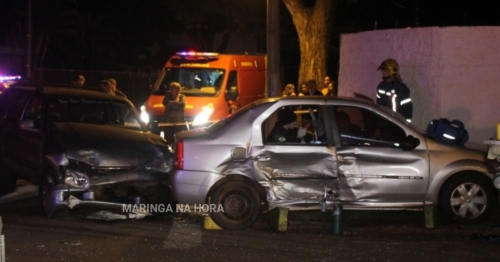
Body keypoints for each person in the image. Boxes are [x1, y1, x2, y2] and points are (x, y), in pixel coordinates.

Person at [376, 58, 413, 122]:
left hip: (397, 124)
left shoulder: (401, 89)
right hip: (384, 123)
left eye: (385, 70)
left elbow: (407, 110)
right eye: (382, 70)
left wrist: (405, 126)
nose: (383, 72)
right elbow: (378, 104)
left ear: (393, 70)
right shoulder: (381, 86)